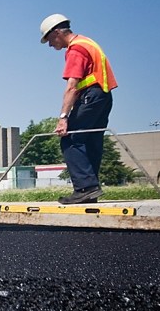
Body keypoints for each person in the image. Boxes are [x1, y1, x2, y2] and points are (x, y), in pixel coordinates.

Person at [40, 13, 117, 204]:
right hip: (103, 97)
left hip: (90, 96)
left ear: (57, 33)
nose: (50, 45)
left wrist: (63, 117)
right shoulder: (88, 42)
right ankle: (91, 189)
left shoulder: (76, 49)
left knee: (70, 139)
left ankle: (85, 187)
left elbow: (72, 87)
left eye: (49, 39)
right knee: (91, 140)